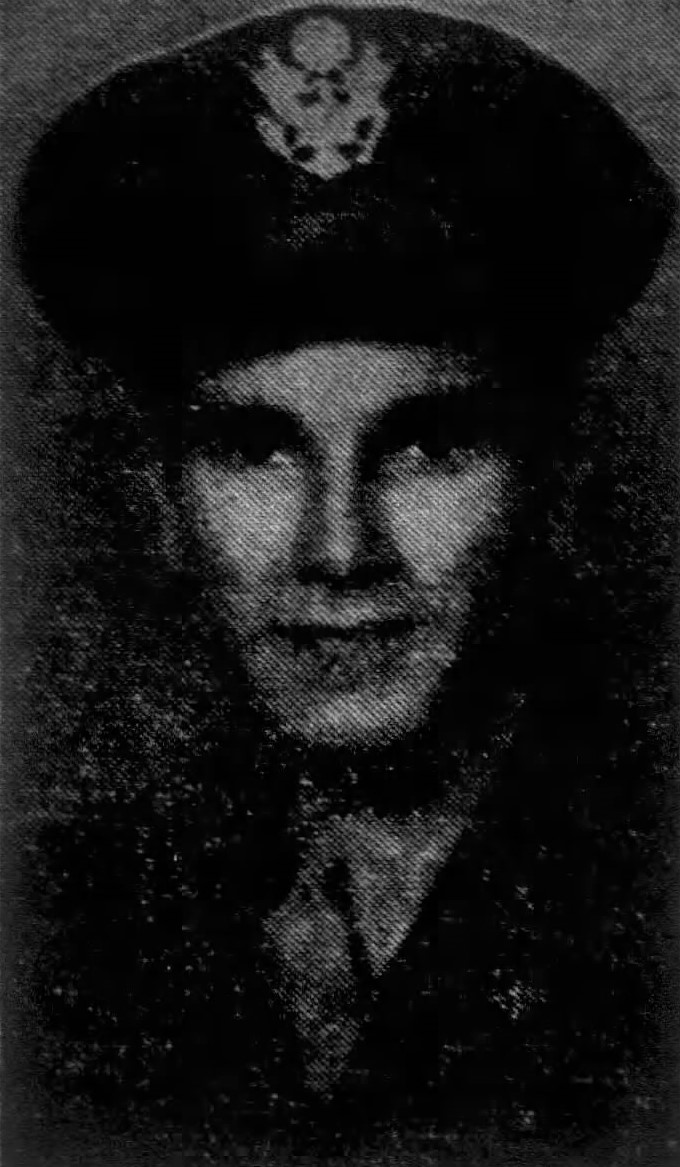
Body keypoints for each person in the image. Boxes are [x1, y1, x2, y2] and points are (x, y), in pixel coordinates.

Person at [13, 5, 676, 1163]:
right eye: (253, 450)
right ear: (160, 502)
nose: (337, 549)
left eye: (427, 447)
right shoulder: (60, 923)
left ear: (556, 483)